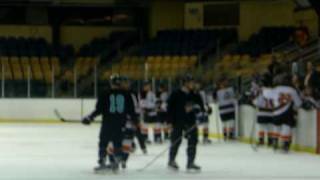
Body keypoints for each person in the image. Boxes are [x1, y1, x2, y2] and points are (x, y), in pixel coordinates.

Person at [82, 74, 135, 173]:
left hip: (107, 123)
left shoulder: (105, 93)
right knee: (117, 143)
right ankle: (116, 161)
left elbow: (99, 110)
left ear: (111, 83)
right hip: (120, 124)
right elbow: (131, 111)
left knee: (103, 142)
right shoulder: (127, 94)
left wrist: (90, 117)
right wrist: (135, 121)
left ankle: (102, 161)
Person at [167, 74, 201, 171]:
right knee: (176, 140)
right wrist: (170, 121)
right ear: (185, 83)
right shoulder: (176, 94)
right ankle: (171, 160)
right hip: (178, 121)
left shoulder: (194, 94)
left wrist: (197, 109)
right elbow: (169, 108)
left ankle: (190, 162)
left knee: (193, 140)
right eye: (191, 82)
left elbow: (200, 106)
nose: (193, 84)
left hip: (191, 121)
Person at [272, 73, 302, 153]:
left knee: (276, 126)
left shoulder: (275, 89)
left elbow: (268, 97)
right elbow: (298, 103)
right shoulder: (292, 90)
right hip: (287, 112)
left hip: (276, 111)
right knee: (286, 127)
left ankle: (275, 141)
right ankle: (285, 144)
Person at [253, 73, 274, 146]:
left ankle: (261, 140)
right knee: (270, 127)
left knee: (261, 127)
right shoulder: (273, 90)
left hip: (262, 112)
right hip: (271, 112)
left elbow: (256, 102)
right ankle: (270, 140)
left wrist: (254, 102)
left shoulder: (260, 91)